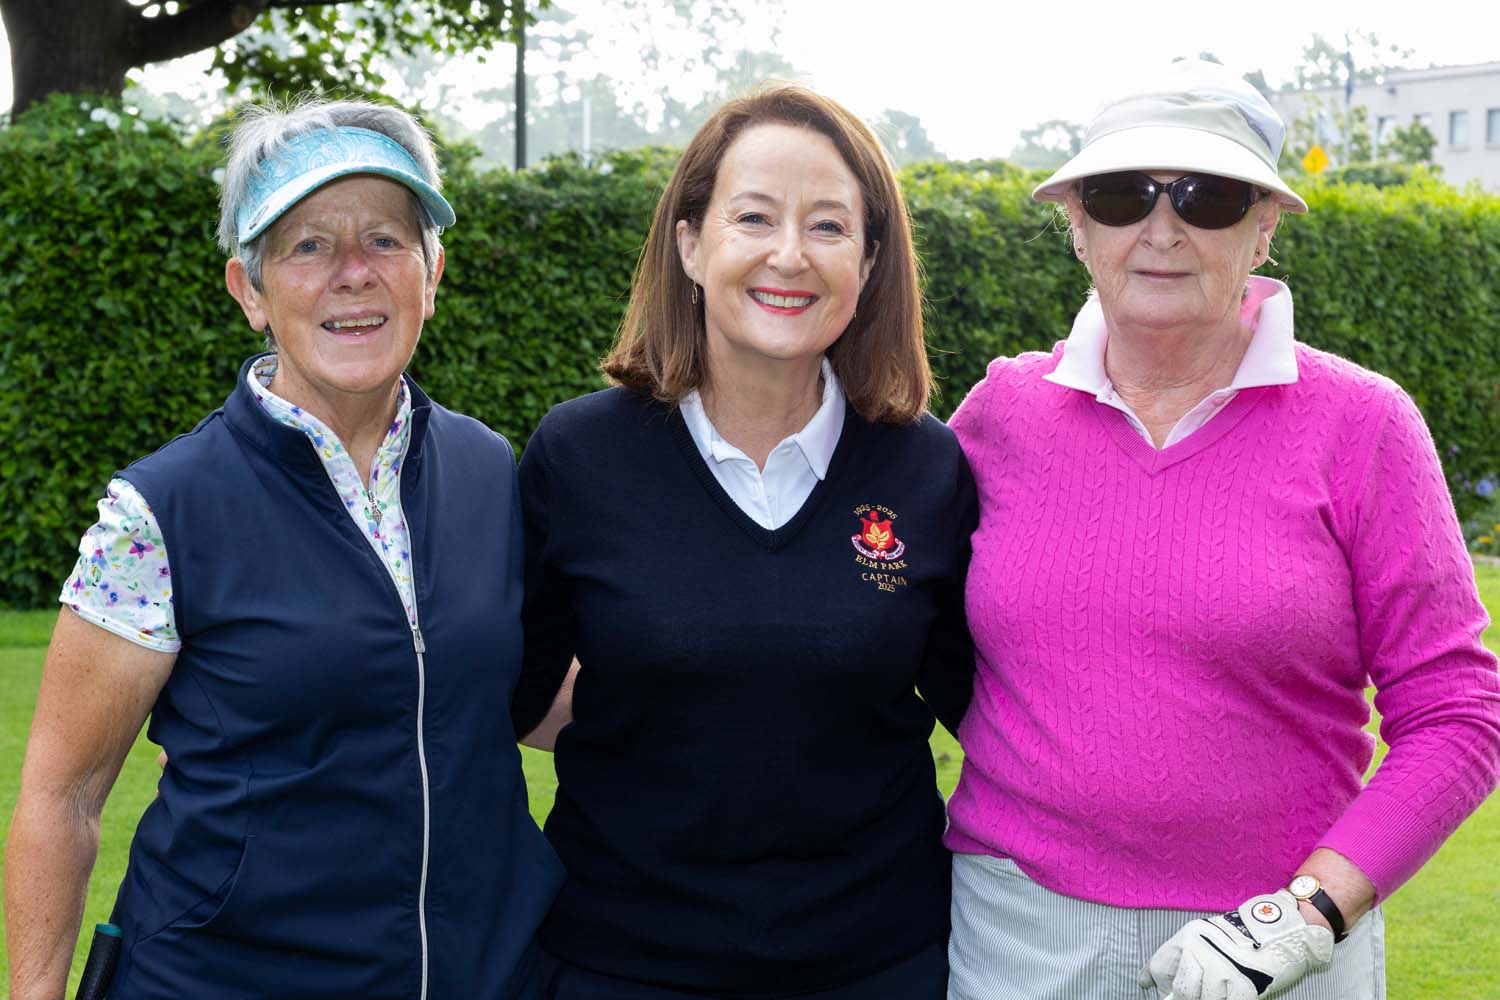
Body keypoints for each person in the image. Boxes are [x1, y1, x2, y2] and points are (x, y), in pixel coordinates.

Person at [942, 60, 1500, 1000]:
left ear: (1265, 224)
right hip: (1022, 936)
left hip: (1280, 942)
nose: (1162, 229)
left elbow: (1456, 713)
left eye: (1209, 197)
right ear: (1077, 223)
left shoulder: (1363, 424)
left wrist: (1305, 917)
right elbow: (881, 616)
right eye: (1122, 195)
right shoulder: (1002, 413)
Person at [4, 99, 562, 1000]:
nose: (353, 273)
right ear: (249, 291)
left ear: (432, 273)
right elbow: (61, 798)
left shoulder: (489, 467)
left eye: (385, 240)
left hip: (479, 975)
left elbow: (504, 693)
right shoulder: (159, 512)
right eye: (307, 246)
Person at [509, 85, 977, 998]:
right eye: (754, 216)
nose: (789, 255)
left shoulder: (926, 465)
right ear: (690, 244)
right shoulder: (579, 455)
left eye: (828, 225)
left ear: (869, 259)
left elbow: (990, 709)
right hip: (620, 965)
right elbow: (507, 694)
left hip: (879, 965)